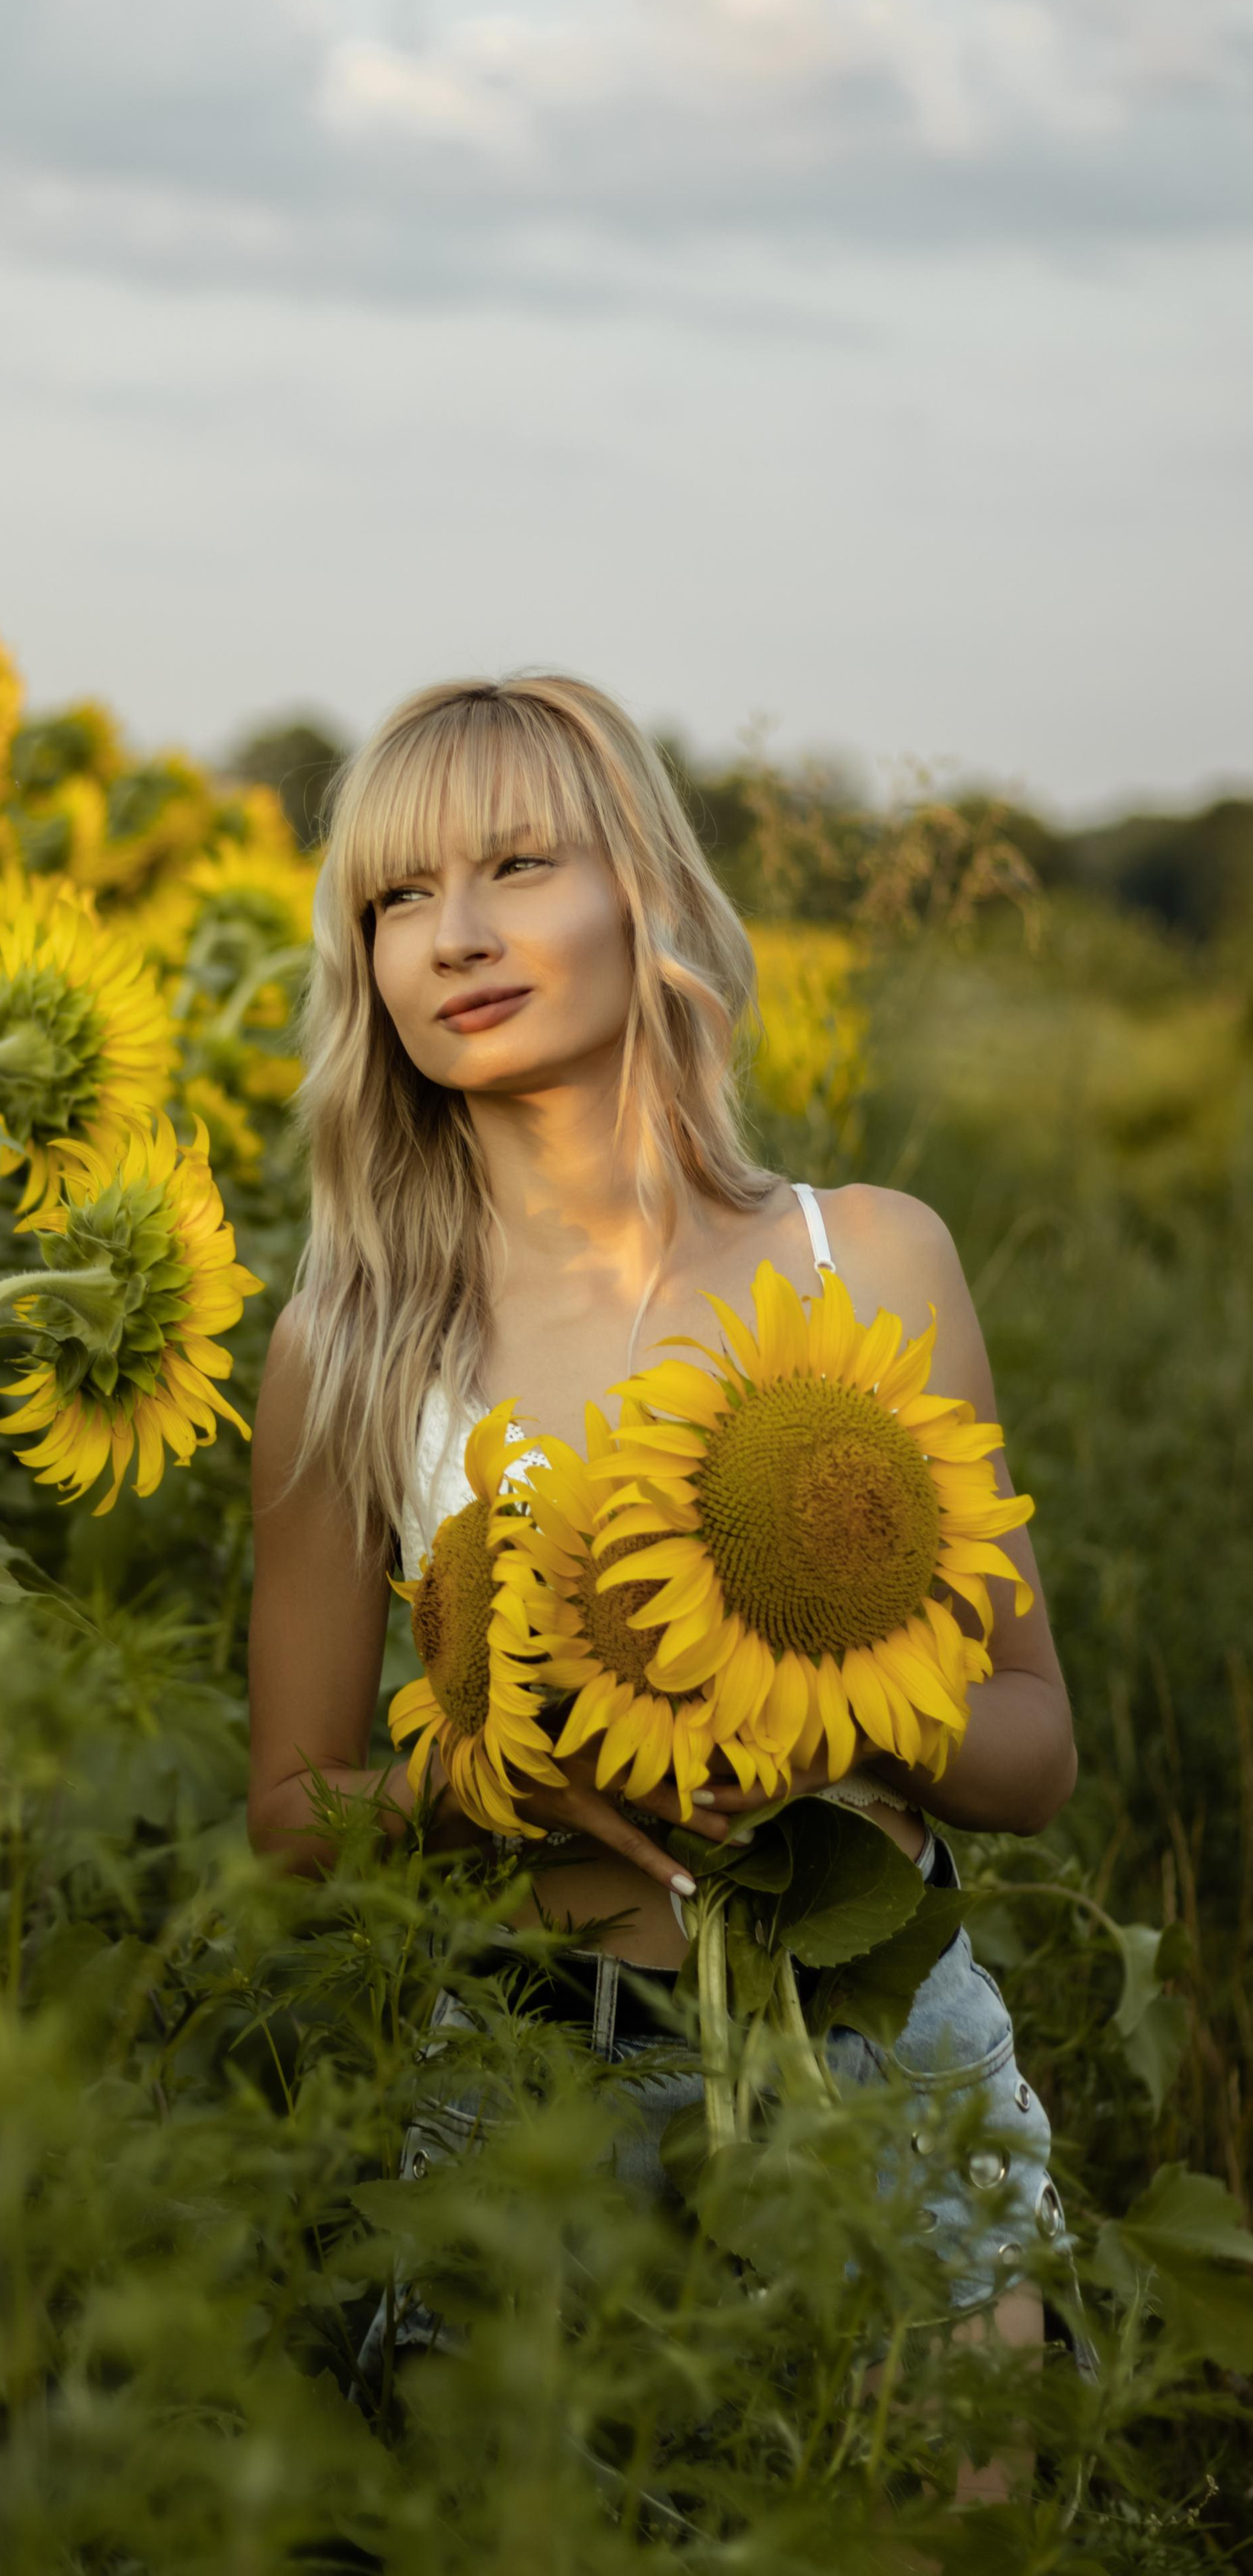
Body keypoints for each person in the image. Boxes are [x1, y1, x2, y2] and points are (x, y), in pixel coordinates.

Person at [245, 675, 1079, 2493]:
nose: (453, 936)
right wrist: (492, 1781)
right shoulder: (351, 1345)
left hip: (882, 2048)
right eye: (396, 897)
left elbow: (1030, 1751)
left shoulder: (862, 1263)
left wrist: (828, 1706)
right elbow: (292, 1814)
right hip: (531, 2088)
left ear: (642, 891)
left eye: (514, 866)